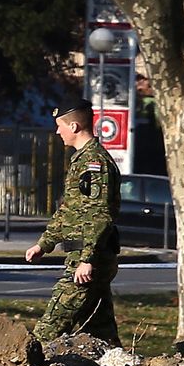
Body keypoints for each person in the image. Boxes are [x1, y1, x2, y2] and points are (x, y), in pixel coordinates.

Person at [25, 98, 121, 344]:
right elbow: (69, 210)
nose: (57, 131)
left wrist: (87, 259)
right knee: (102, 334)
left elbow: (100, 215)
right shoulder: (81, 161)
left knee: (49, 328)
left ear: (75, 127)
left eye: (60, 126)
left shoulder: (95, 163)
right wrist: (43, 244)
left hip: (88, 261)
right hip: (87, 258)